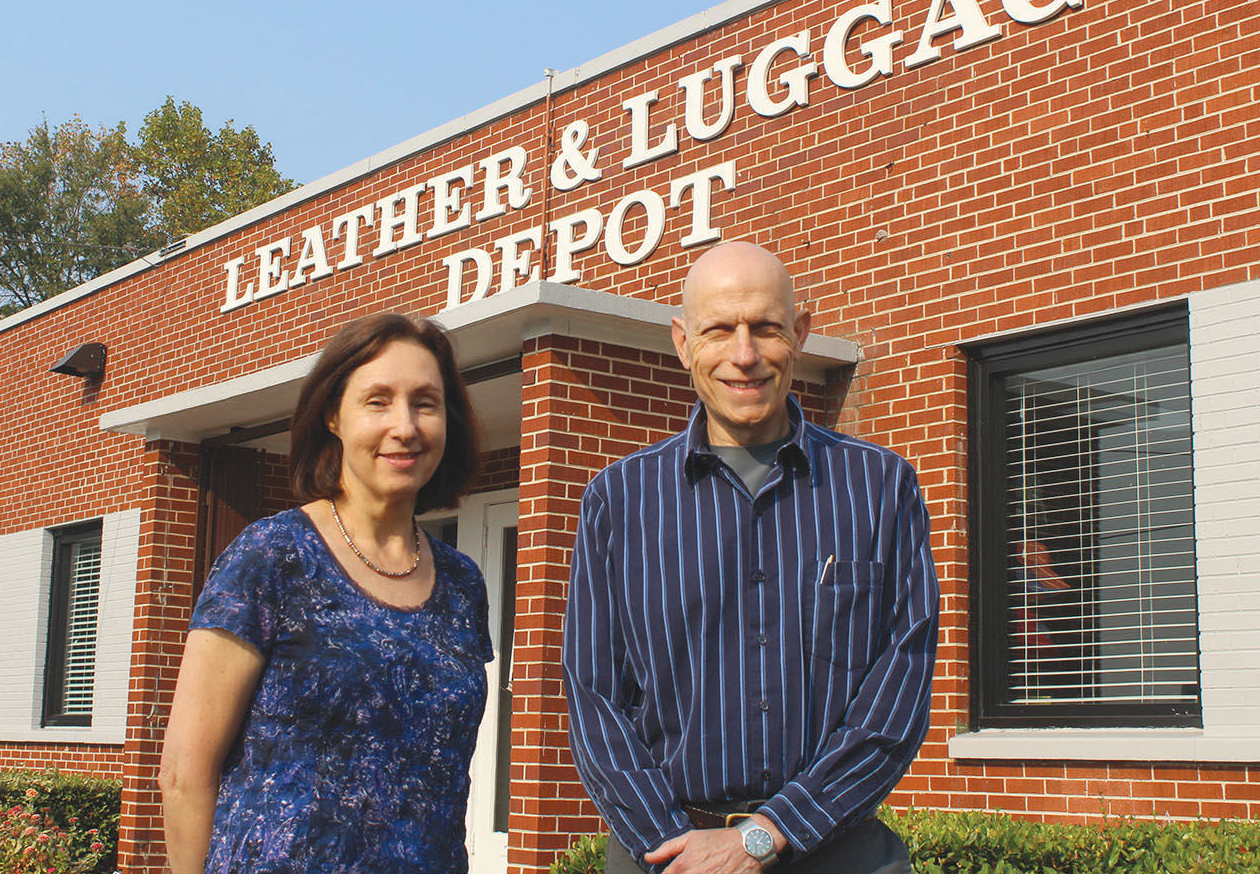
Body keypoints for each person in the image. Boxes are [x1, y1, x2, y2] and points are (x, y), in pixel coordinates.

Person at [563, 242, 938, 874]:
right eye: (719, 330)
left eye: (765, 328)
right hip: (665, 853)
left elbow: (900, 684)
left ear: (800, 333)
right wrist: (673, 847)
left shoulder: (880, 489)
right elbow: (593, 694)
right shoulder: (617, 499)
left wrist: (763, 835)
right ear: (684, 343)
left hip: (836, 851)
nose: (744, 355)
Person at [159, 313, 492, 874]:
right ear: (333, 416)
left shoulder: (462, 583)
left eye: (426, 403)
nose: (405, 426)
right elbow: (185, 773)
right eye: (378, 401)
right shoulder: (272, 555)